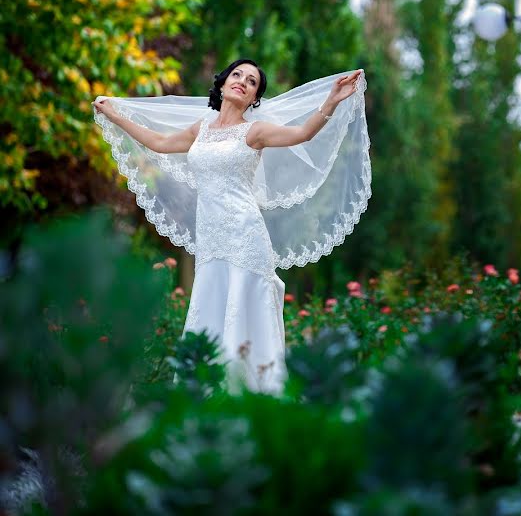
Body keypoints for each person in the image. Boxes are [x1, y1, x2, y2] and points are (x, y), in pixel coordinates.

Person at [92, 60, 370, 394]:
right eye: (237, 75)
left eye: (252, 81)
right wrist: (115, 115)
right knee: (210, 310)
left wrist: (332, 99)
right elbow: (159, 143)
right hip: (211, 242)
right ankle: (204, 397)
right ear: (222, 84)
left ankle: (252, 395)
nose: (242, 81)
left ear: (254, 98)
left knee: (244, 311)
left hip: (245, 237)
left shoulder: (255, 131)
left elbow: (303, 133)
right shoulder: (201, 129)